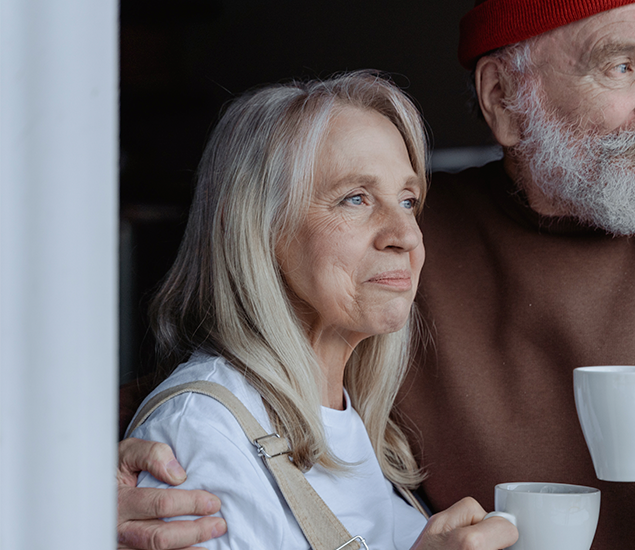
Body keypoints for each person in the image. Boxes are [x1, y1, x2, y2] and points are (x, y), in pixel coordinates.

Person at [118, 1, 635, 548]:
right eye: (623, 64)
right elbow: (218, 391)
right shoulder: (397, 253)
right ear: (505, 101)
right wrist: (78, 488)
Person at [119, 71, 518, 550]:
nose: (406, 235)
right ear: (258, 228)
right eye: (355, 198)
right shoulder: (201, 434)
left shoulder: (350, 423)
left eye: (408, 201)